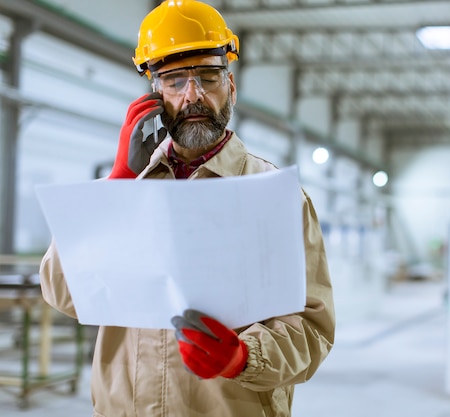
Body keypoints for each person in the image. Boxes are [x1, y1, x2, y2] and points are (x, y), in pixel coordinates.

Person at [39, 1, 335, 416]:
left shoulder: (274, 196)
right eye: (175, 81)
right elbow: (63, 293)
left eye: (208, 78)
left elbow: (311, 328)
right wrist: (118, 185)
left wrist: (243, 358)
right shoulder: (128, 189)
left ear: (230, 87)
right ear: (155, 95)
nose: (193, 95)